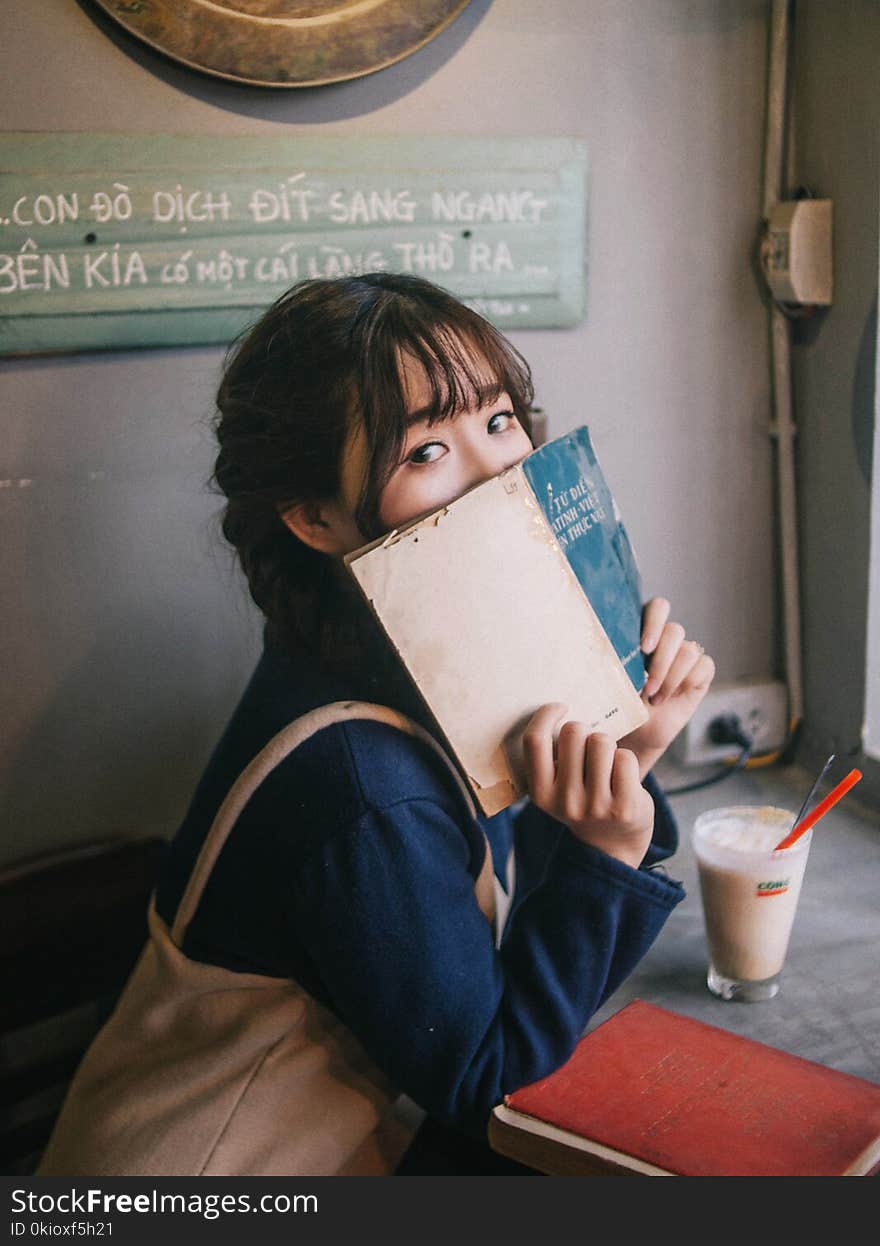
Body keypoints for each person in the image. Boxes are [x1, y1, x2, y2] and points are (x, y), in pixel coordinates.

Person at [44, 272, 715, 1176]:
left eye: (499, 421)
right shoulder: (360, 779)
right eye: (426, 452)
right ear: (315, 516)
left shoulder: (419, 667)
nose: (497, 476)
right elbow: (487, 1076)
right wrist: (603, 849)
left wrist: (624, 757)